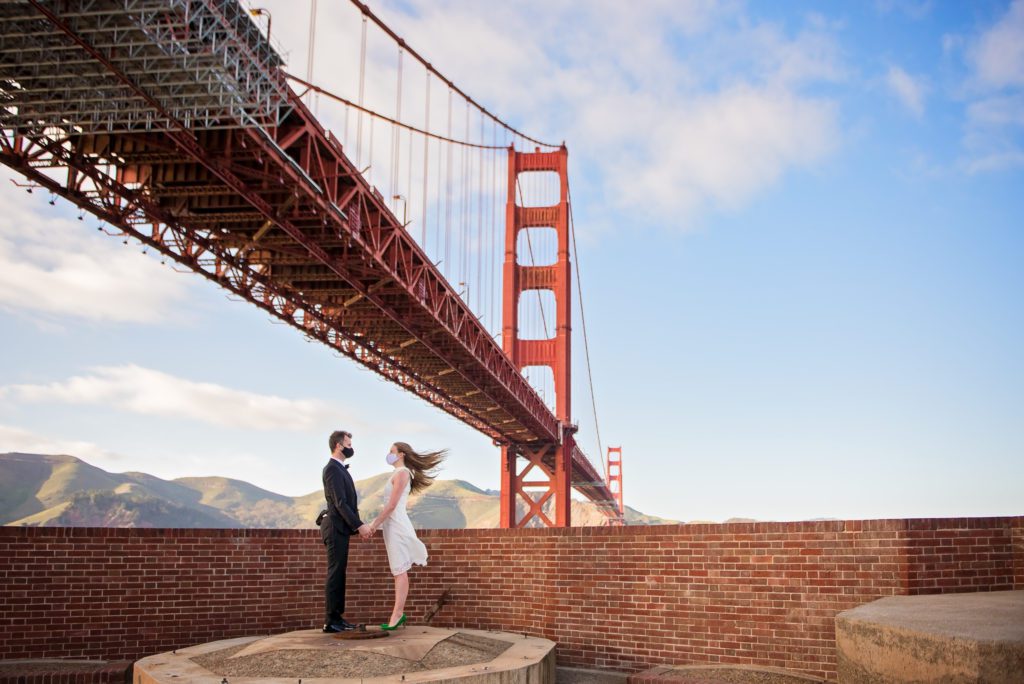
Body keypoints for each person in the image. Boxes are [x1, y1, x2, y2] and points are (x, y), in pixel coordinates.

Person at [369, 441, 446, 630]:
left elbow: (392, 505)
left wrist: (373, 525)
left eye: (392, 451)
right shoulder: (398, 473)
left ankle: (397, 613)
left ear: (401, 454)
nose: (389, 454)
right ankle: (397, 613)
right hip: (391, 525)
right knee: (398, 570)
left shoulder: (402, 473)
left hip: (396, 525)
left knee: (399, 570)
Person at [320, 430, 373, 633]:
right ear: (338, 445)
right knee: (335, 573)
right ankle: (330, 621)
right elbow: (340, 503)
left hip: (340, 528)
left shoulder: (340, 469)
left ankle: (337, 618)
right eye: (348, 444)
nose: (351, 448)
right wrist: (359, 525)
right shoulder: (332, 469)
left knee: (339, 572)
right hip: (334, 527)